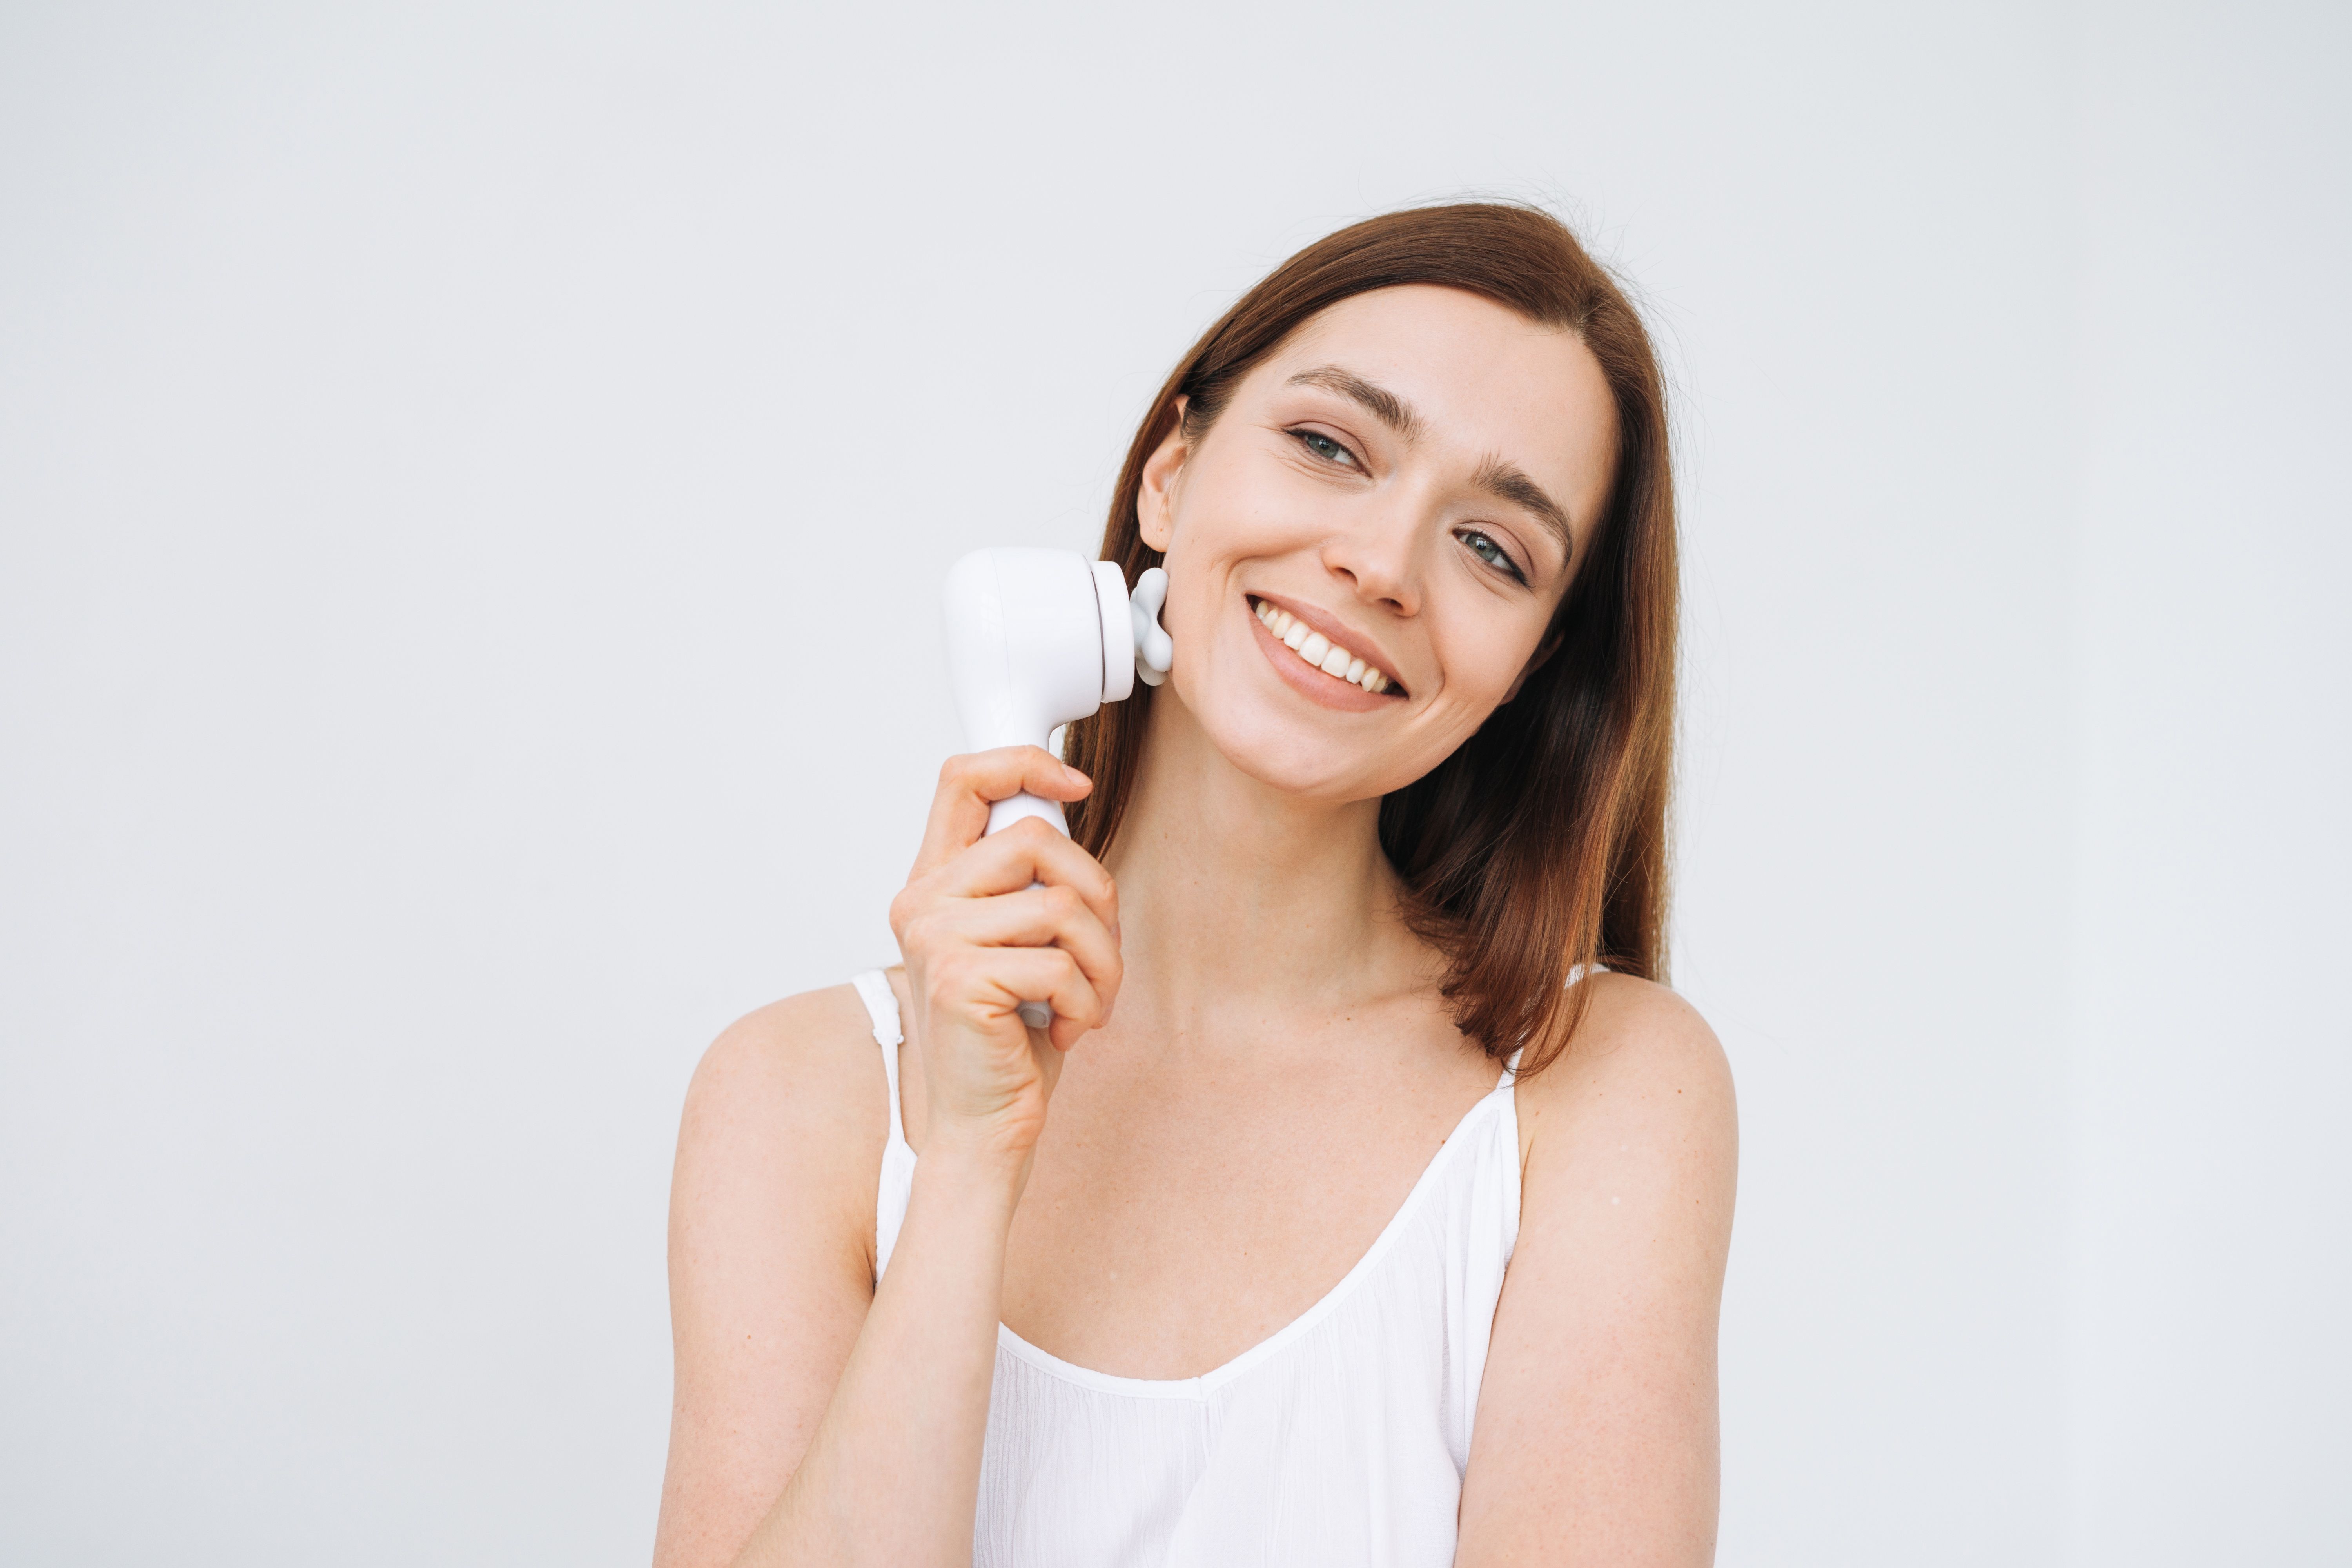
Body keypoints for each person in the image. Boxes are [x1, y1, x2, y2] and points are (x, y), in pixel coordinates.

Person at [652, 203, 1737, 1568]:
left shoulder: (1597, 1090)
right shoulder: (796, 1099)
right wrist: (970, 1168)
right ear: (1172, 472)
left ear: (1532, 664)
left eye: (1492, 548)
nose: (1381, 566)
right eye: (1332, 446)